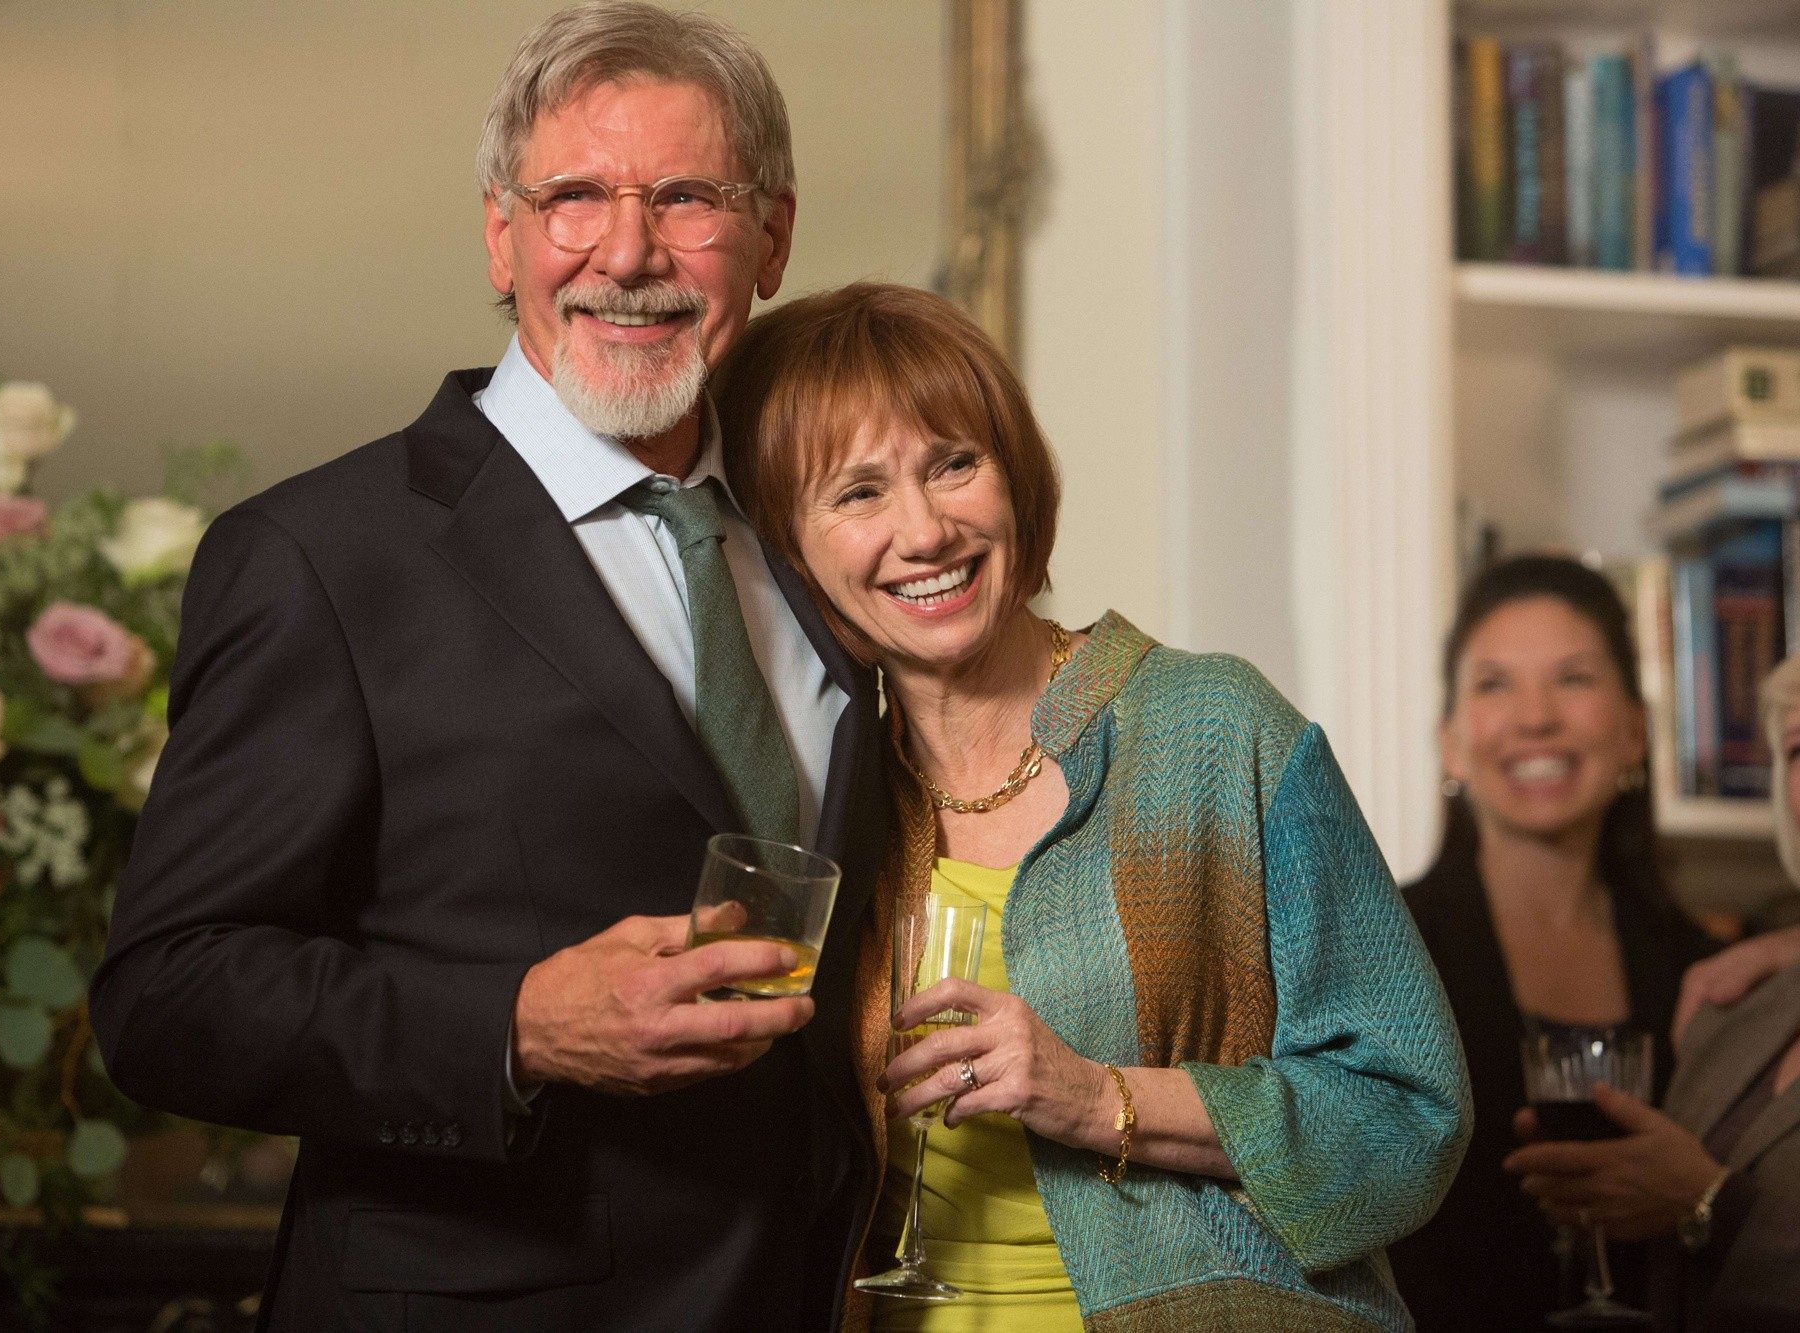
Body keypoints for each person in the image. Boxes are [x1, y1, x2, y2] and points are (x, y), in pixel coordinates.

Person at [88, 6, 886, 1328]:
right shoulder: (322, 556)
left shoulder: (821, 540)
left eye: (686, 198)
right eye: (572, 197)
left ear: (774, 236)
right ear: (501, 235)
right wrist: (515, 1025)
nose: (627, 253)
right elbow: (165, 996)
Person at [713, 282, 1470, 1330]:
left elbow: (1408, 1118)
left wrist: (1094, 1096)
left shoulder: (1215, 730)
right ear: (788, 550)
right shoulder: (829, 801)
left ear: (1016, 478)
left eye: (953, 464)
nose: (923, 530)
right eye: (858, 493)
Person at [1392, 554, 1719, 1331]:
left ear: (1635, 730)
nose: (1535, 717)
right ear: (1450, 742)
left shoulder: (1706, 972)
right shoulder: (1380, 949)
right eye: (1495, 684)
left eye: (1573, 678)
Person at [1504, 652, 1800, 1331]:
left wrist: (1709, 1204)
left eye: (1573, 679)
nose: (1536, 717)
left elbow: (1700, 1207)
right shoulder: (1732, 1002)